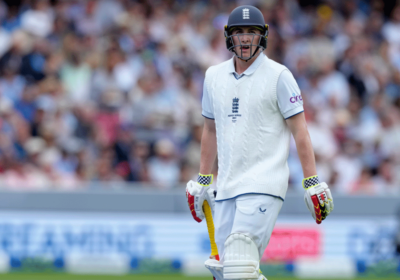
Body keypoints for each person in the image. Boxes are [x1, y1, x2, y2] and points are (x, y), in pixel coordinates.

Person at [186, 5, 334, 280]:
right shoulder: (213, 77)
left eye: (251, 32)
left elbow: (300, 131)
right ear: (228, 36)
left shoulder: (280, 76)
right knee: (228, 273)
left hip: (264, 184)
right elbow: (209, 129)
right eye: (239, 32)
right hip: (227, 187)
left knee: (239, 268)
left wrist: (311, 181)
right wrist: (204, 178)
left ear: (263, 36)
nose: (244, 38)